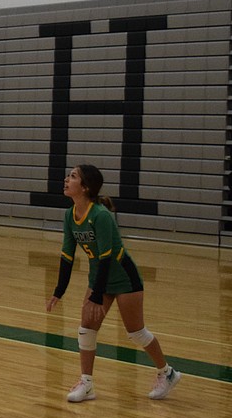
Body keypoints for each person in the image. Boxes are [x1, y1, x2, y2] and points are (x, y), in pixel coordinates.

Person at [46, 164, 182, 402]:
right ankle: (86, 383)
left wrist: (97, 295)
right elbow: (67, 256)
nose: (67, 179)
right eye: (68, 175)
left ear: (85, 187)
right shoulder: (70, 215)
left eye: (73, 176)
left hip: (123, 278)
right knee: (86, 327)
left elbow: (107, 256)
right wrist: (59, 290)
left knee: (136, 332)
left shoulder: (100, 216)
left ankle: (167, 372)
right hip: (99, 276)